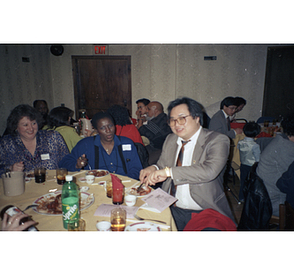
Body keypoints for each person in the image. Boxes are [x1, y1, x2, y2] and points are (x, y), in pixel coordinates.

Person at [139, 97, 235, 231]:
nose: (176, 124)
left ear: (197, 118)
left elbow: (209, 171)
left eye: (182, 118)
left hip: (204, 211)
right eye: (172, 120)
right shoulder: (171, 139)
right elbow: (162, 164)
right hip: (170, 206)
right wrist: (153, 168)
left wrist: (168, 172)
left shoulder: (217, 140)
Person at [59, 112, 143, 180]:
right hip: (96, 185)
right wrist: (76, 165)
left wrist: (124, 181)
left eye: (110, 126)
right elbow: (63, 164)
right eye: (103, 128)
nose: (108, 130)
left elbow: (136, 168)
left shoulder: (127, 143)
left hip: (124, 184)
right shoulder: (86, 144)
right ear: (96, 130)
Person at [0, 104, 69, 176]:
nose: (31, 128)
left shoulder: (52, 137)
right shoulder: (6, 144)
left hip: (52, 184)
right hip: (21, 186)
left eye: (33, 123)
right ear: (16, 126)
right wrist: (10, 168)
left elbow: (67, 163)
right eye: (25, 125)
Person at [256, 113, 294, 216]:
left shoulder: (282, 140)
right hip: (275, 202)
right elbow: (293, 182)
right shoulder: (287, 148)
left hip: (267, 195)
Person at [237, 122, 261, 201]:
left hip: (243, 165)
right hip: (252, 166)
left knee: (243, 182)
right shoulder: (255, 145)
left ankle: (241, 197)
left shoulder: (240, 142)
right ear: (257, 134)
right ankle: (250, 198)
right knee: (252, 182)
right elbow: (258, 159)